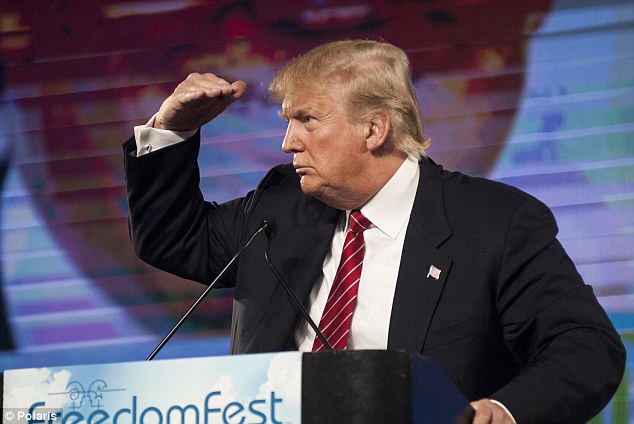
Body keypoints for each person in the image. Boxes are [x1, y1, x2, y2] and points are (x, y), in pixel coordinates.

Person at [123, 40, 625, 423]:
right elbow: (174, 239)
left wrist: (504, 409)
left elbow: (585, 347)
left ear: (374, 129)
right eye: (287, 121)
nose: (286, 142)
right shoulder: (280, 204)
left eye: (306, 120)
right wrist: (170, 131)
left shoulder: (493, 222)